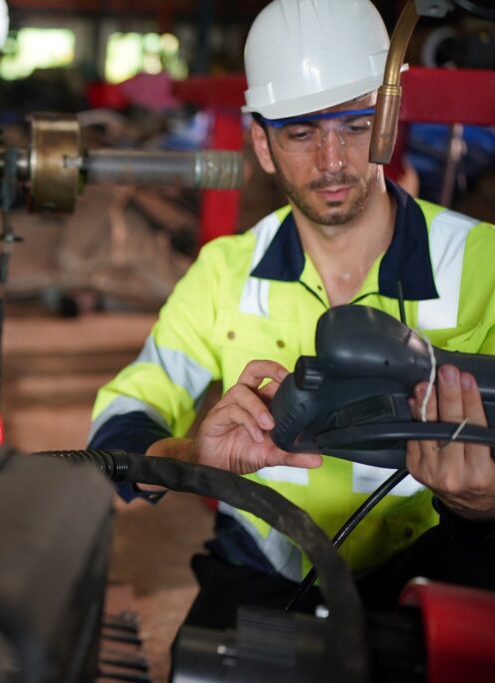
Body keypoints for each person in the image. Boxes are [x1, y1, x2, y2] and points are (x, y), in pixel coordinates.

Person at [88, 0, 495, 627]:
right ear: (263, 143)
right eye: (302, 133)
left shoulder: (482, 262)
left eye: (356, 125)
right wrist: (190, 454)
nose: (332, 161)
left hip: (437, 560)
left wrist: (481, 505)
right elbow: (118, 425)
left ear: (389, 118)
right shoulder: (224, 271)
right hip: (261, 569)